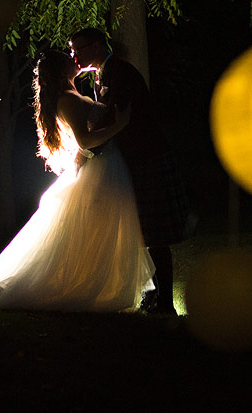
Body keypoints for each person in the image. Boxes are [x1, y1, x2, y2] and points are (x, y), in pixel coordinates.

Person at [0, 50, 155, 312]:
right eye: (69, 59)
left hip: (104, 166)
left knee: (98, 232)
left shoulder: (70, 96)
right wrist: (120, 124)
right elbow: (85, 141)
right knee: (99, 230)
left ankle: (102, 284)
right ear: (61, 72)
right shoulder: (69, 100)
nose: (75, 59)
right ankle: (92, 286)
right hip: (101, 168)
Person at [67, 27, 192, 316]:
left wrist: (87, 150)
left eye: (79, 49)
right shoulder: (104, 75)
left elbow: (119, 117)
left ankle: (163, 303)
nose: (74, 56)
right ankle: (154, 296)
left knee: (154, 234)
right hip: (135, 160)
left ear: (97, 45)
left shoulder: (120, 73)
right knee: (143, 232)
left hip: (148, 158)